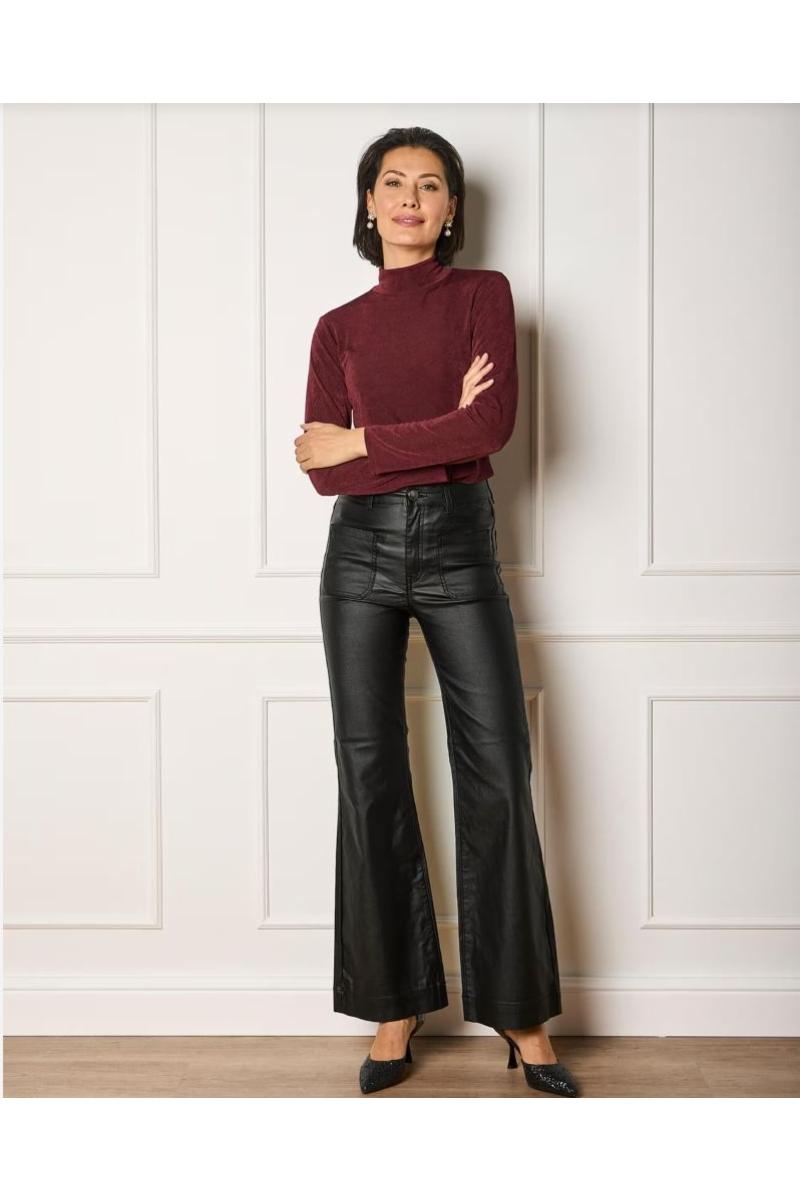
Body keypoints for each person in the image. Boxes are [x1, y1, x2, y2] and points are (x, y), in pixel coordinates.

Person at [295, 126, 580, 1099]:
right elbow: (317, 468)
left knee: (497, 770)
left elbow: (488, 426)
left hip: (461, 549)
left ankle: (520, 1015)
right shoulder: (337, 327)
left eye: (429, 184)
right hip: (359, 557)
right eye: (392, 182)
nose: (410, 197)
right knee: (368, 773)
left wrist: (364, 440)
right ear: (368, 203)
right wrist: (428, 435)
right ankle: (392, 1006)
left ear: (452, 207)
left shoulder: (482, 296)